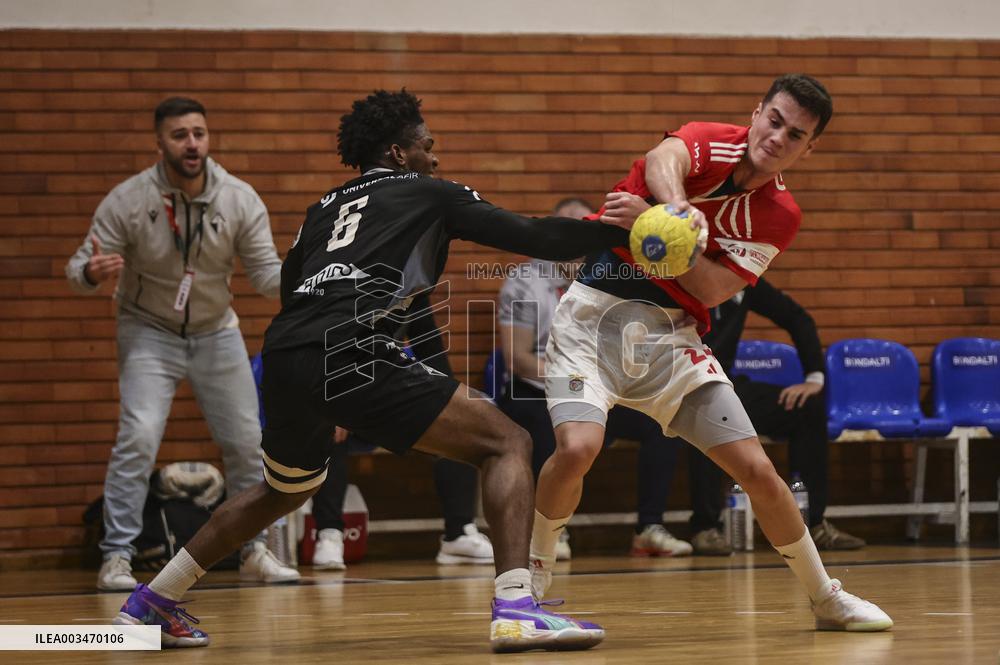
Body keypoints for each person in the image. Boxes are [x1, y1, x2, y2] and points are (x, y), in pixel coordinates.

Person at [113, 89, 632, 652]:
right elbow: (536, 237)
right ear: (399, 151)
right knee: (504, 440)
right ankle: (517, 607)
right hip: (352, 345)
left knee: (281, 491)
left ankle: (151, 603)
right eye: (427, 146)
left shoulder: (322, 209)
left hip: (286, 353)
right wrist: (617, 229)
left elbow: (291, 288)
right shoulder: (430, 193)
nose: (435, 157)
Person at [530, 74, 893, 631]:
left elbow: (713, 290)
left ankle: (826, 598)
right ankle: (532, 591)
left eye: (795, 135)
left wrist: (643, 231)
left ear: (808, 147)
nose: (777, 137)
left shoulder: (781, 215)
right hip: (592, 320)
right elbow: (661, 158)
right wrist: (676, 214)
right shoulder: (711, 140)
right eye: (774, 120)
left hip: (671, 339)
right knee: (578, 448)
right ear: (757, 112)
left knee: (756, 468)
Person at [65, 96, 298, 592]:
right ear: (159, 143)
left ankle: (255, 550)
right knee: (139, 436)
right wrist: (89, 271)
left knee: (246, 442)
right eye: (180, 135)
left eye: (199, 133)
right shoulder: (127, 200)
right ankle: (118, 556)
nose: (192, 144)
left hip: (217, 330)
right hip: (148, 330)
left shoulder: (238, 198)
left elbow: (264, 276)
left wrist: (306, 277)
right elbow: (78, 266)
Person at [496, 197, 690, 560]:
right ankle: (551, 533)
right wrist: (582, 382)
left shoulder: (615, 278)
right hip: (537, 388)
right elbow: (519, 359)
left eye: (580, 227)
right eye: (564, 228)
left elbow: (629, 351)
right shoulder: (525, 282)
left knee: (662, 425)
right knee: (550, 427)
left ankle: (648, 528)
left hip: (601, 389)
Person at [686, 276, 865, 554]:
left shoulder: (740, 279)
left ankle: (812, 523)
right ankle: (705, 527)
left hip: (725, 382)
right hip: (681, 382)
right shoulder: (676, 273)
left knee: (806, 409)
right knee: (706, 409)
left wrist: (814, 378)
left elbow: (797, 318)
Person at [312, 295, 493, 571]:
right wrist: (334, 405)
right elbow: (318, 354)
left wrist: (450, 408)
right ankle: (329, 535)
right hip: (342, 395)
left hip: (394, 400)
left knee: (460, 427)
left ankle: (458, 534)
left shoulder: (412, 292)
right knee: (325, 428)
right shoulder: (339, 287)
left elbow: (434, 357)